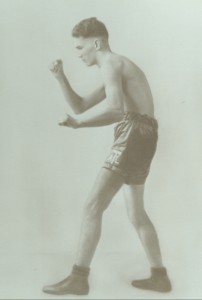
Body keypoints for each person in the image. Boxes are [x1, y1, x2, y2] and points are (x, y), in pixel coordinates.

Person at [43, 17, 172, 295]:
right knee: (135, 212)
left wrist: (79, 125)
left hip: (134, 131)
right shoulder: (116, 67)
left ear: (97, 42)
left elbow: (115, 110)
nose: (78, 54)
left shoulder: (112, 63)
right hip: (144, 133)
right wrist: (60, 77)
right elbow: (79, 106)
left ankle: (78, 278)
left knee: (92, 206)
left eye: (80, 48)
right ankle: (160, 276)